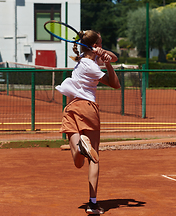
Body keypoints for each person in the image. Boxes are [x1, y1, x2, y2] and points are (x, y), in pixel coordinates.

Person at [56, 30, 120, 214]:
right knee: (94, 158)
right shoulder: (92, 67)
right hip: (87, 108)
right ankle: (93, 203)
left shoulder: (83, 60)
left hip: (70, 109)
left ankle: (81, 147)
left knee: (78, 162)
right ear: (94, 45)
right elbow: (115, 84)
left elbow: (114, 57)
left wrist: (104, 54)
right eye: (101, 42)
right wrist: (108, 65)